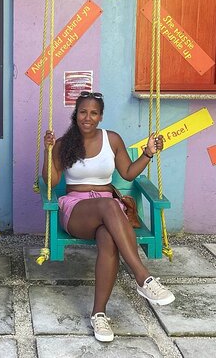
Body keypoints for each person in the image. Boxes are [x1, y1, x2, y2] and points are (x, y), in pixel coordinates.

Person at [42, 91, 174, 343]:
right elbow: (52, 182)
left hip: (106, 215)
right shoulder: (63, 144)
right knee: (111, 206)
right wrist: (48, 151)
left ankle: (98, 315)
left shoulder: (112, 139)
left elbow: (127, 173)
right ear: (75, 114)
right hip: (76, 211)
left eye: (93, 113)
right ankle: (142, 276)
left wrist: (147, 154)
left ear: (100, 116)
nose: (87, 117)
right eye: (82, 112)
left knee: (108, 239)